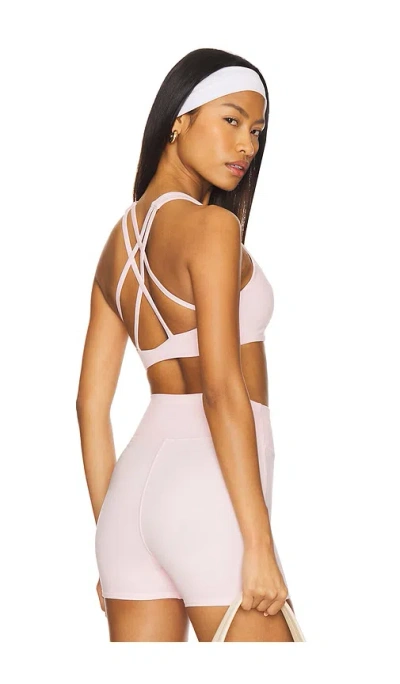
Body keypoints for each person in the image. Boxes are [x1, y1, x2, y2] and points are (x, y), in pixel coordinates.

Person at [76, 47, 297, 642]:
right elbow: (222, 389)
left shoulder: (115, 247)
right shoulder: (212, 227)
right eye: (231, 120)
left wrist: (109, 536)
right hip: (209, 491)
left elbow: (89, 407)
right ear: (180, 120)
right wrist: (258, 543)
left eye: (256, 131)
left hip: (128, 503)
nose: (247, 145)